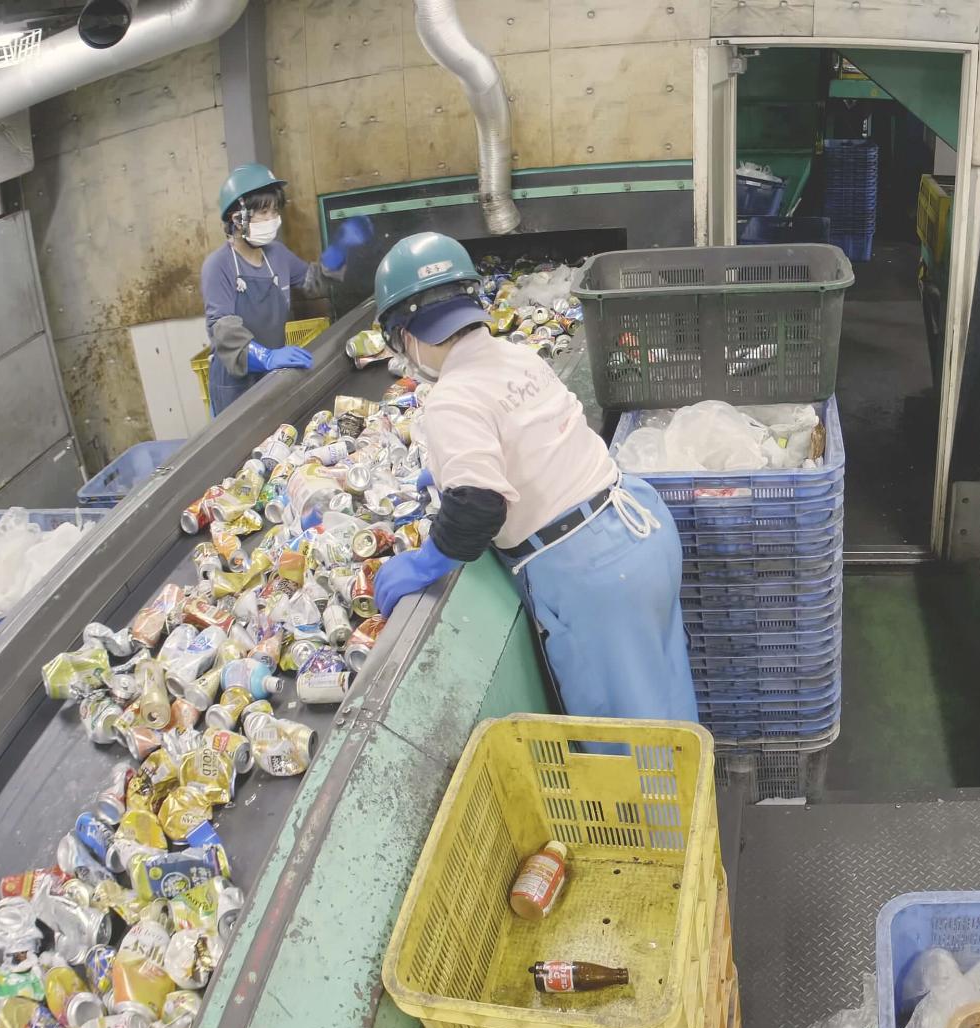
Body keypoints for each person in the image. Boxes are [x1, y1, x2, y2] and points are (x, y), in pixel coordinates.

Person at [369, 232, 698, 738]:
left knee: (630, 748)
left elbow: (479, 506)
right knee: (670, 711)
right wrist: (447, 470)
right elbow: (532, 437)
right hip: (639, 530)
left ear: (405, 335)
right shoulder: (517, 356)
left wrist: (425, 562)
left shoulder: (450, 399)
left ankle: (665, 819)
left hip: (594, 577)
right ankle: (694, 809)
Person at [201, 162, 371, 415]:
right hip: (235, 383)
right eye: (264, 213)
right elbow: (223, 329)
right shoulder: (218, 265)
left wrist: (339, 249)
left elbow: (314, 282)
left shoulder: (277, 255)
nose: (273, 220)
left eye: (275, 212)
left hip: (272, 373)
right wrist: (266, 356)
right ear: (238, 219)